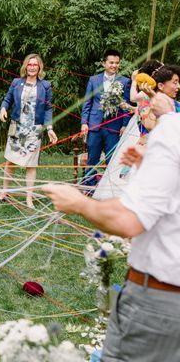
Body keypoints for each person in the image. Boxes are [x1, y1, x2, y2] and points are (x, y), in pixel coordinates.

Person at [44, 92, 180, 362]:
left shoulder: (172, 131)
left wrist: (80, 203)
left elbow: (130, 220)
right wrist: (149, 165)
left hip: (158, 302)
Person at [93, 60, 162, 200]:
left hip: (143, 122)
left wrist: (130, 107)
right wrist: (135, 81)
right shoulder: (147, 90)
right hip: (142, 126)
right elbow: (133, 98)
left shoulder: (153, 91)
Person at [0, 54, 57, 208]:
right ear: (25, 66)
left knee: (31, 165)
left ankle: (29, 198)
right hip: (17, 127)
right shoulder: (17, 82)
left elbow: (48, 108)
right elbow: (7, 99)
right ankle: (5, 191)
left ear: (39, 68)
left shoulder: (45, 86)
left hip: (34, 130)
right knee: (10, 161)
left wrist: (49, 128)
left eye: (35, 65)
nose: (32, 67)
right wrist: (3, 108)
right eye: (29, 64)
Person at [80, 49, 132, 189]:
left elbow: (126, 106)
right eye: (111, 62)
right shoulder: (93, 80)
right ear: (104, 63)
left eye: (116, 63)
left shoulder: (125, 81)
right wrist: (84, 123)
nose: (114, 65)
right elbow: (87, 102)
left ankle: (109, 188)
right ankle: (88, 187)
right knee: (92, 158)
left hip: (114, 127)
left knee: (112, 159)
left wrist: (125, 125)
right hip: (94, 125)